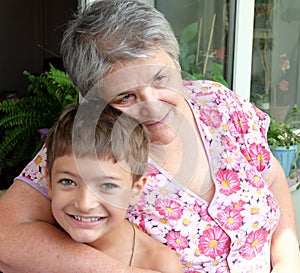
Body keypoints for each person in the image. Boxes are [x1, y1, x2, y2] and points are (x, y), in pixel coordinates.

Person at [0, 0, 299, 272]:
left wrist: (288, 261)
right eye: (126, 96)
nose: (153, 107)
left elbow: (272, 177)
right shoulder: (85, 145)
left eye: (161, 79)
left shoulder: (219, 103)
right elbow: (5, 236)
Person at [45, 100, 183, 273]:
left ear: (136, 189)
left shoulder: (159, 265)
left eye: (107, 185)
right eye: (68, 182)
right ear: (49, 182)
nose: (85, 204)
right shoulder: (33, 247)